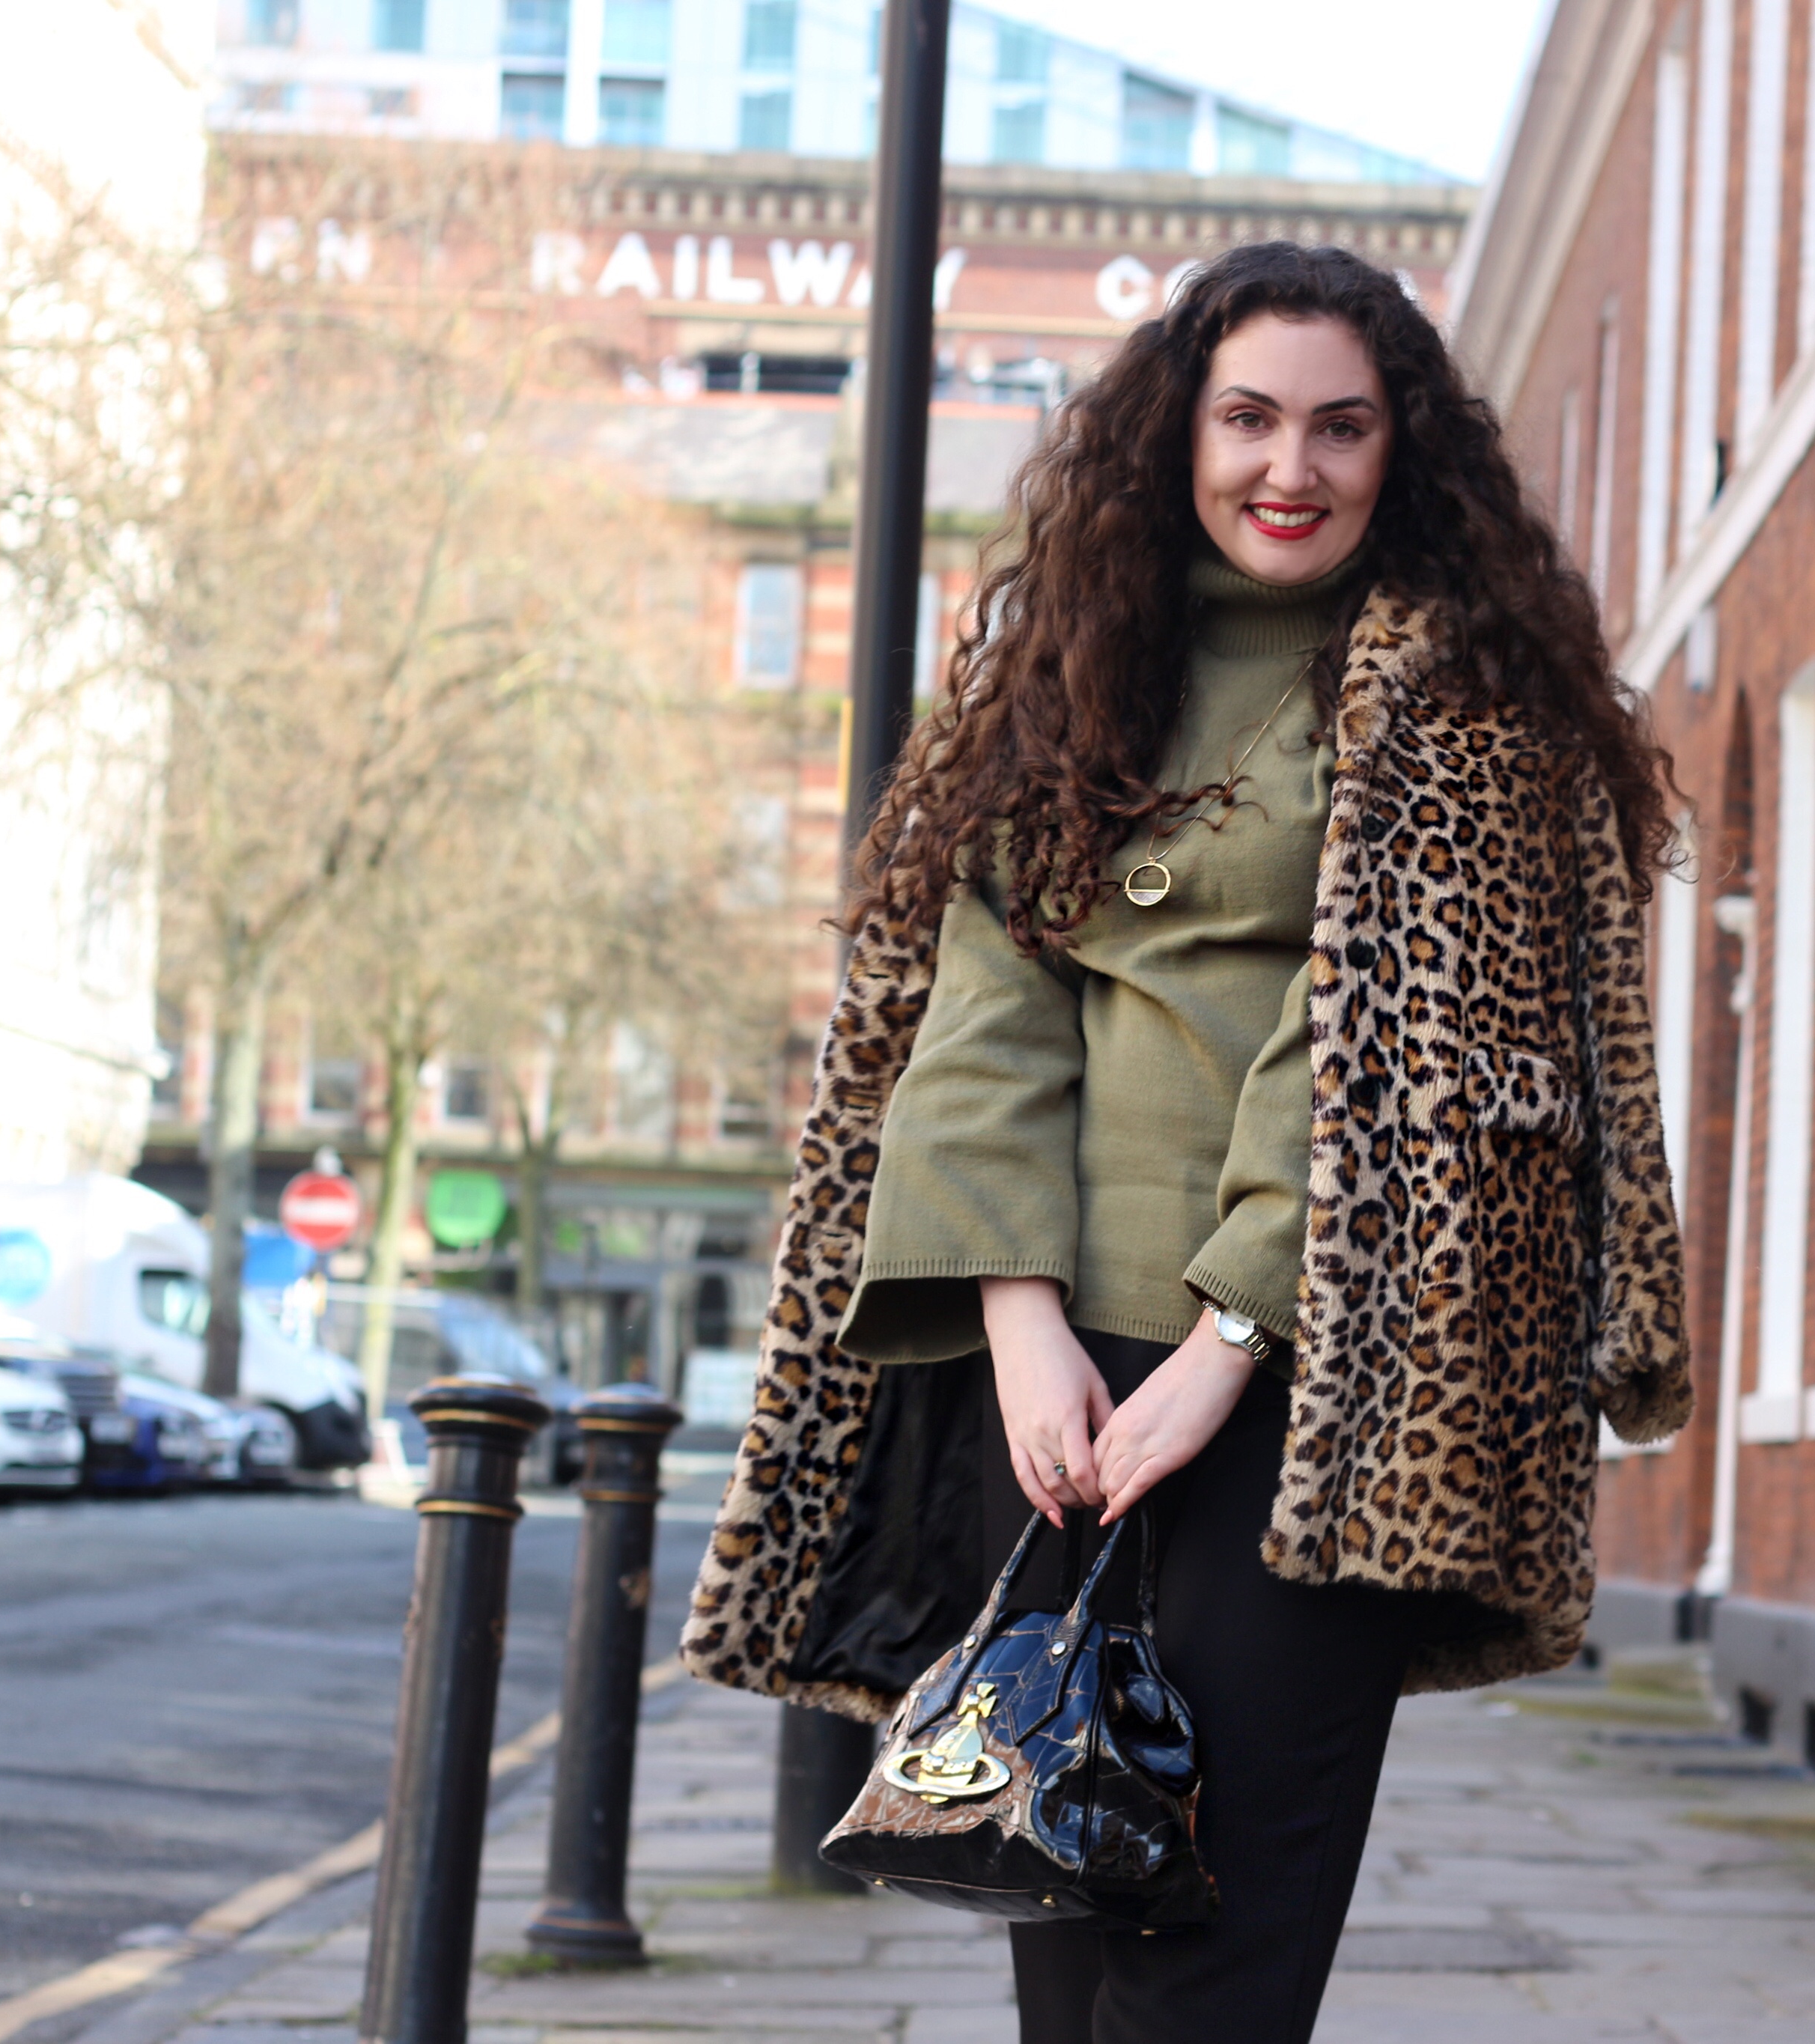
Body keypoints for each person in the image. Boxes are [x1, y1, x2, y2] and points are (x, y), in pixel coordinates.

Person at [680, 241, 1692, 2044]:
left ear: (1401, 455)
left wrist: (1227, 1341)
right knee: (1059, 1921)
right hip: (1059, 1380)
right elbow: (980, 1018)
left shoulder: (1473, 712)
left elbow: (1390, 1052)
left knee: (1210, 1967)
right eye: (1246, 419)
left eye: (1338, 427)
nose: (1286, 469)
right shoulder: (1066, 679)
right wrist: (1019, 1325)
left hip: (1336, 1392)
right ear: (1179, 433)